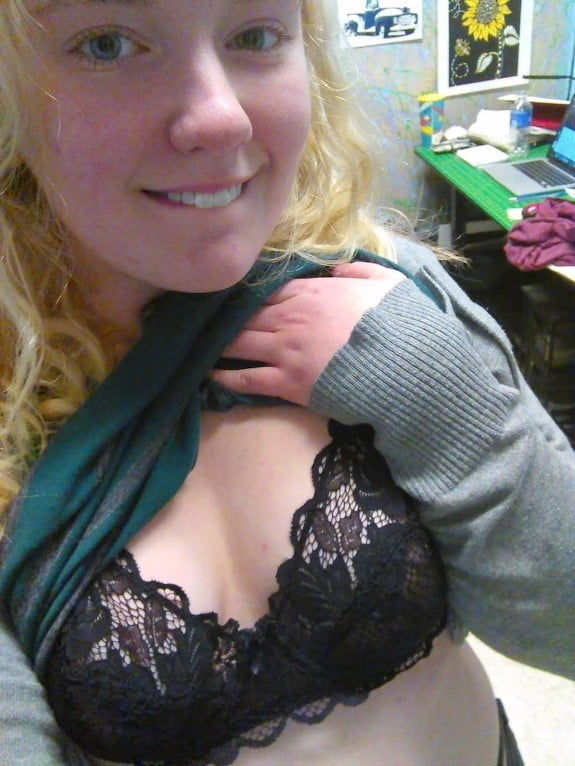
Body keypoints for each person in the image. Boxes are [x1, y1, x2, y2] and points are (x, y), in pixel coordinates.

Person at [0, 0, 573, 764]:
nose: (220, 117)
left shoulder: (379, 288)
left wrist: (443, 403)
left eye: (254, 35)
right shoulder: (11, 403)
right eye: (106, 44)